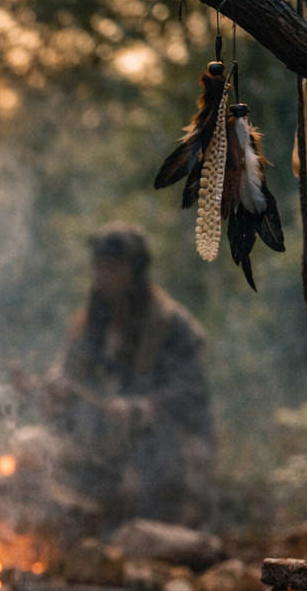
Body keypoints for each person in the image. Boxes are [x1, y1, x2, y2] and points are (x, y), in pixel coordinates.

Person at [37, 223, 216, 531]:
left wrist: (139, 407)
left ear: (134, 272)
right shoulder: (90, 323)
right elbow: (68, 372)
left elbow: (190, 392)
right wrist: (53, 388)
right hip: (103, 450)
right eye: (98, 266)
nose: (102, 275)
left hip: (161, 451)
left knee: (152, 504)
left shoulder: (173, 325)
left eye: (112, 267)